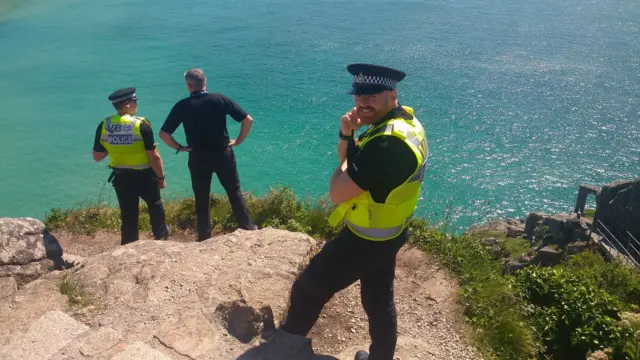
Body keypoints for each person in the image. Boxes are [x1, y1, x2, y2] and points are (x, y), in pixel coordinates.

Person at [277, 64, 428, 360]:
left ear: (392, 94)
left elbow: (337, 192)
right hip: (390, 229)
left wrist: (344, 168)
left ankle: (282, 352)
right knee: (378, 300)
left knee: (309, 287)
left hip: (367, 240)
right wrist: (347, 135)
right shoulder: (404, 124)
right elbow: (354, 163)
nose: (362, 100)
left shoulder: (387, 143)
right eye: (358, 93)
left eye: (372, 94)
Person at [159, 69, 257, 241]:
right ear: (205, 82)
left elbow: (164, 134)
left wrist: (179, 147)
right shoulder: (220, 99)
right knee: (234, 192)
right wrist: (239, 141)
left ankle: (204, 237)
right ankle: (247, 227)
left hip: (198, 157)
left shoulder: (182, 105)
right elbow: (248, 120)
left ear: (189, 85)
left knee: (202, 197)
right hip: (223, 154)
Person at [92, 87, 170, 245]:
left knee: (128, 214)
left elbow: (97, 156)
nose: (136, 103)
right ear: (127, 104)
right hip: (145, 176)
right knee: (155, 206)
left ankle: (129, 245)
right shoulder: (141, 124)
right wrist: (161, 178)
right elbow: (154, 156)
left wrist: (115, 144)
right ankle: (161, 238)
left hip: (122, 177)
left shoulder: (104, 125)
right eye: (134, 101)